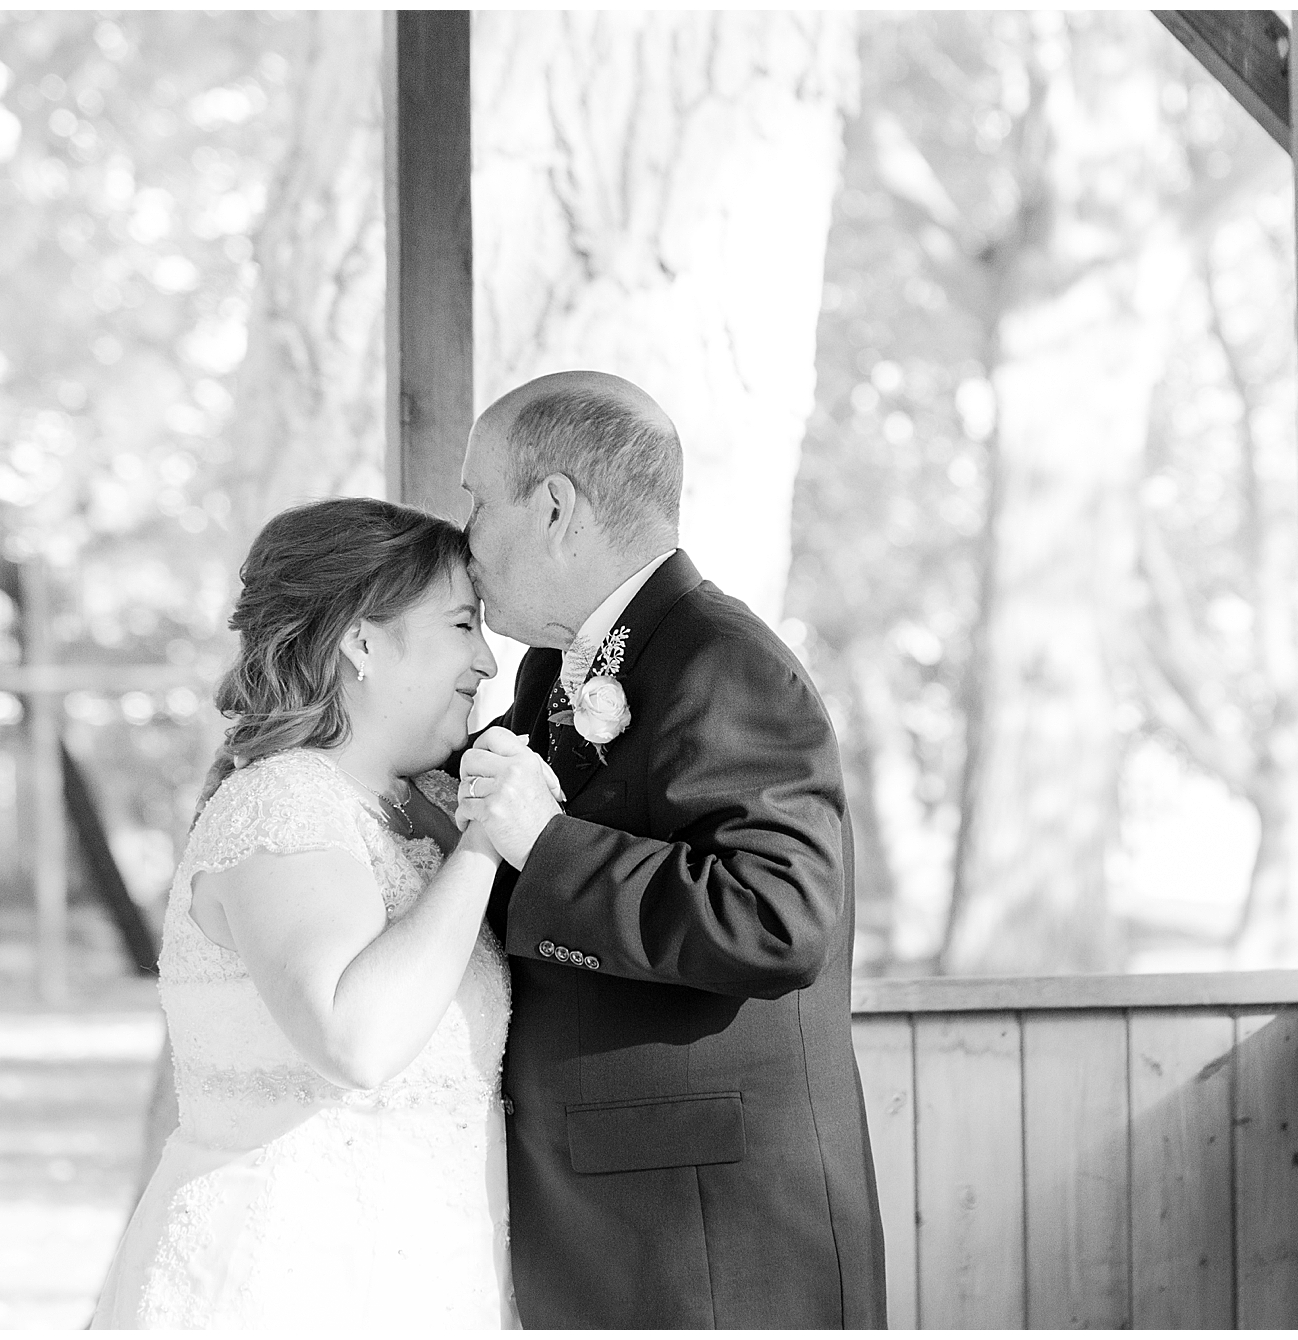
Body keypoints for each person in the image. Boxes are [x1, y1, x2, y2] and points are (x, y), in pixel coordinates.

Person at [454, 369, 886, 1327]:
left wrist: (547, 841)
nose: (465, 539)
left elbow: (777, 923)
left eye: (476, 501)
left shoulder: (723, 661)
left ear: (556, 506)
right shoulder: (553, 670)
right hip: (606, 1208)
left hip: (709, 1237)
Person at [92, 498, 519, 1329]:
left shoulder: (408, 811)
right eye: (464, 625)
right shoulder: (282, 806)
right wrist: (485, 846)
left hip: (428, 1278)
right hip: (290, 1279)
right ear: (362, 641)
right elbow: (353, 1039)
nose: (488, 661)